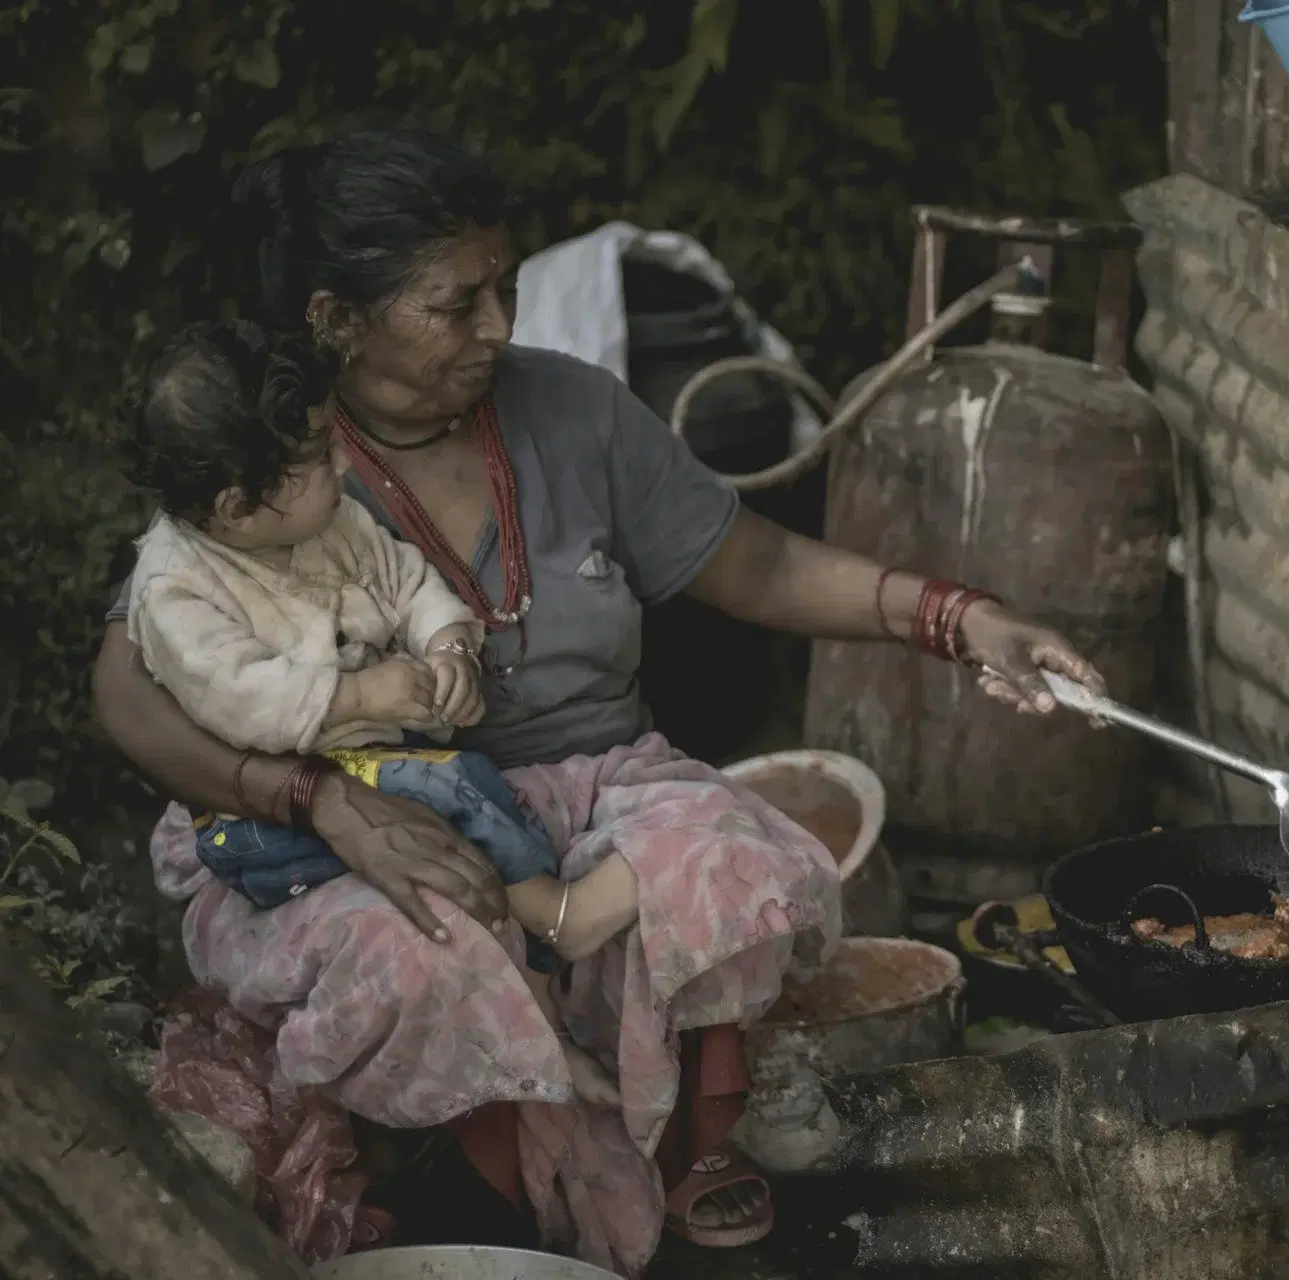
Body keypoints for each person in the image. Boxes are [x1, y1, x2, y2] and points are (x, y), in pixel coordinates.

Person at [90, 126, 1104, 1272]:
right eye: (456, 303)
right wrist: (313, 798)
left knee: (723, 854)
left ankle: (686, 1138)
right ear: (336, 320)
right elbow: (126, 685)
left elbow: (762, 563)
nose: (498, 326)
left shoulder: (573, 411)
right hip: (366, 805)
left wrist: (959, 618)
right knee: (421, 949)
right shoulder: (273, 457)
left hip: (598, 785)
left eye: (506, 288)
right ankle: (459, 1194)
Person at [118, 319, 637, 1106]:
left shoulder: (327, 521)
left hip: (367, 765)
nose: (343, 461)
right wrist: (364, 695)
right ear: (238, 506)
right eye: (319, 455)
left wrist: (447, 646)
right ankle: (560, 914)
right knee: (450, 793)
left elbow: (405, 577)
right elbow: (248, 700)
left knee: (462, 822)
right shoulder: (176, 592)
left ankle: (546, 1026)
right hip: (262, 819)